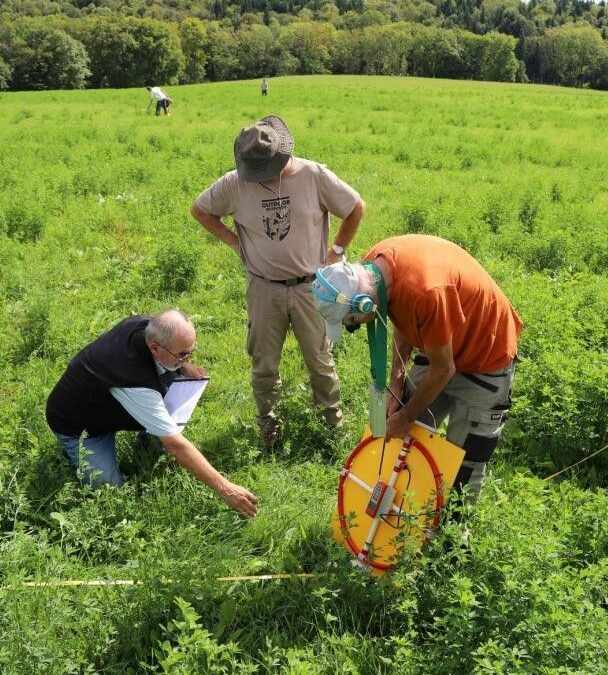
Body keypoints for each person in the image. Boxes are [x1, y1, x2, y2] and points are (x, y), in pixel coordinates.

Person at [190, 115, 365, 449]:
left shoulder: (312, 174)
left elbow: (355, 207)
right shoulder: (234, 183)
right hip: (264, 287)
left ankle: (330, 425)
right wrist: (232, 241)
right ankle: (268, 425)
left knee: (320, 359)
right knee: (264, 362)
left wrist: (337, 251)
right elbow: (200, 210)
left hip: (309, 286)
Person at [312, 234, 523, 506]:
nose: (355, 327)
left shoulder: (426, 291)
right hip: (439, 343)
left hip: (485, 356)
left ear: (364, 302)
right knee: (400, 430)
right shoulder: (372, 269)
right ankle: (408, 516)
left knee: (465, 464)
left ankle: (455, 540)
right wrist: (396, 381)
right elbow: (401, 313)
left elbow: (444, 369)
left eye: (352, 323)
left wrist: (405, 418)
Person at [45, 310, 258, 518]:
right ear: (154, 347)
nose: (187, 358)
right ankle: (142, 436)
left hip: (110, 400)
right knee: (108, 491)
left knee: (171, 384)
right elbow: (175, 444)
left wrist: (184, 367)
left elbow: (171, 358)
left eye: (191, 351)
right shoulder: (134, 380)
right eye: (183, 354)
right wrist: (226, 489)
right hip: (82, 426)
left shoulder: (147, 326)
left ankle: (150, 435)